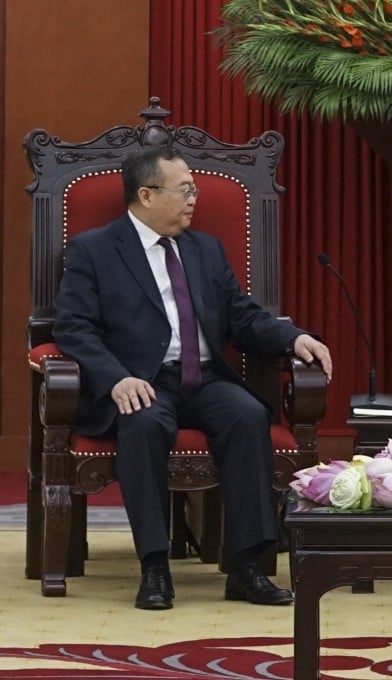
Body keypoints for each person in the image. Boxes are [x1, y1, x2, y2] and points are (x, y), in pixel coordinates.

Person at [53, 146, 333, 610]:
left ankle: (247, 566)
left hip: (203, 379)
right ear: (146, 195)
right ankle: (155, 566)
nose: (193, 198)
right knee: (142, 422)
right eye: (184, 189)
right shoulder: (95, 250)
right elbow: (72, 328)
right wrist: (116, 379)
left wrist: (293, 338)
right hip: (141, 381)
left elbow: (241, 316)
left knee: (247, 416)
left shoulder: (203, 249)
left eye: (194, 189)